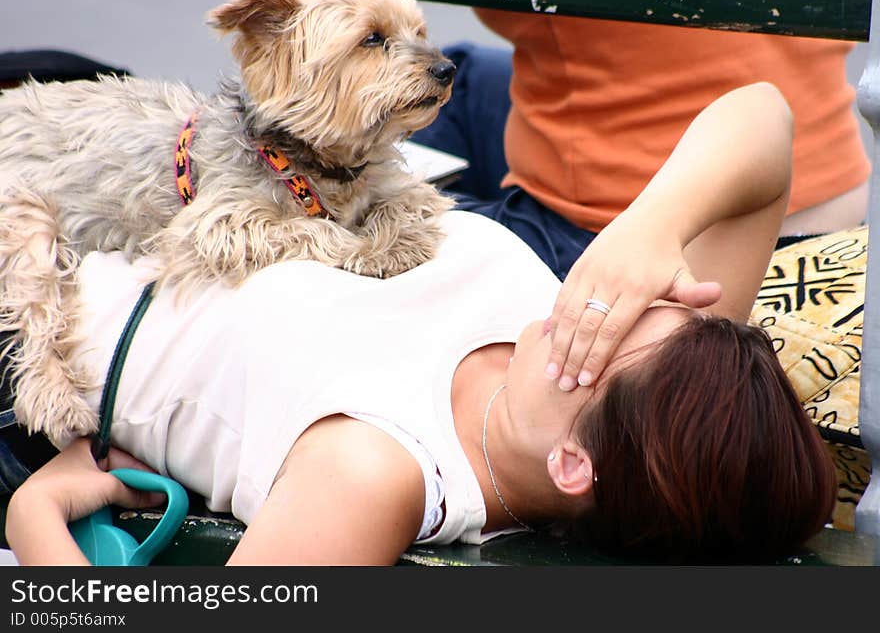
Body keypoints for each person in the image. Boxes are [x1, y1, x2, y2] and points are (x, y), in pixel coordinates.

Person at [5, 83, 837, 565]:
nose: (608, 302)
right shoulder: (657, 394)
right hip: (149, 178)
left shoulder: (377, 475)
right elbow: (764, 119)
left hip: (31, 303)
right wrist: (649, 228)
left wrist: (36, 519)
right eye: (648, 303)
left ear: (574, 464)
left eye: (613, 333)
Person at [411, 13, 873, 393]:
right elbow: (763, 109)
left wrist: (645, 228)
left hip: (616, 220)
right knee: (457, 76)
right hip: (809, 168)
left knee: (373, 219)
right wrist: (653, 227)